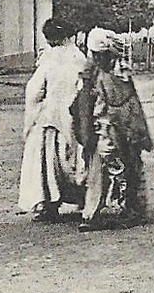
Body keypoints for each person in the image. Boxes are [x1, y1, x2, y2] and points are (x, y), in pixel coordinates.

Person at [20, 17, 97, 221]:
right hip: (74, 116)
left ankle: (50, 204)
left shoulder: (48, 59)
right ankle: (83, 198)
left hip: (50, 117)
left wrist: (33, 114)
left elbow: (34, 91)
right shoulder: (79, 57)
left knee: (48, 161)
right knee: (75, 157)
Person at [79, 28, 154, 231]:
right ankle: (93, 213)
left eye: (100, 54)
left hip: (121, 126)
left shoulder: (118, 73)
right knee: (102, 168)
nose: (96, 58)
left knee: (127, 167)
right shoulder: (96, 71)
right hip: (106, 128)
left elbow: (126, 103)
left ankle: (131, 210)